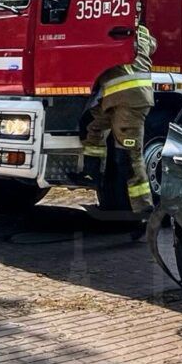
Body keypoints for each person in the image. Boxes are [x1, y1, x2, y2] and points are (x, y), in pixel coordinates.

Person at [77, 21, 157, 222]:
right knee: (94, 128)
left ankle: (143, 210)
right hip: (116, 99)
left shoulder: (107, 28)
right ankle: (92, 172)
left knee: (129, 157)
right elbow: (153, 45)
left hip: (129, 102)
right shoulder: (142, 33)